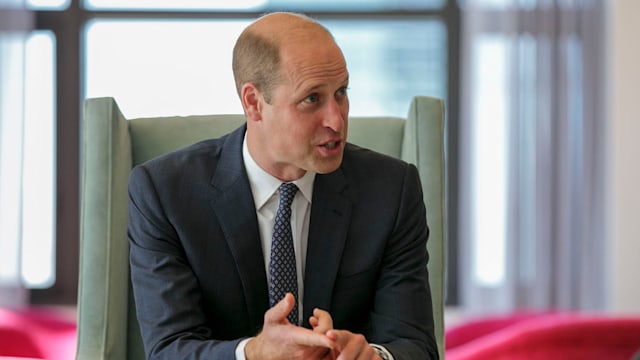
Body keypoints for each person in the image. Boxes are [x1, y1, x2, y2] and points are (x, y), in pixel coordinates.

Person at [128, 11, 438, 360]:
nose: (336, 120)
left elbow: (417, 346)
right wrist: (254, 353)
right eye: (312, 99)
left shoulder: (392, 190)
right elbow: (169, 350)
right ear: (254, 103)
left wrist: (375, 357)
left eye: (341, 93)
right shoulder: (164, 193)